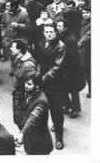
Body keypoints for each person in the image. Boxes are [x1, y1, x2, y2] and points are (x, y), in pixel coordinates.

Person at [38, 22, 66, 150]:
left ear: (56, 32)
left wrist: (44, 77)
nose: (48, 34)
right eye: (46, 32)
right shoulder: (42, 43)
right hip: (44, 82)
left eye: (51, 32)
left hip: (56, 83)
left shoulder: (61, 46)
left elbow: (57, 66)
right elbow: (40, 62)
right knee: (42, 108)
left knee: (56, 110)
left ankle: (59, 137)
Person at [15, 72, 53, 155]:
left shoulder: (41, 101)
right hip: (30, 139)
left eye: (29, 84)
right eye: (26, 83)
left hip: (40, 143)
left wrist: (22, 133)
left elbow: (33, 118)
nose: (26, 85)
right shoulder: (29, 93)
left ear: (37, 86)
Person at [56, 18, 85, 118]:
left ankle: (75, 109)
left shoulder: (70, 40)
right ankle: (67, 106)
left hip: (72, 69)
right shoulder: (61, 36)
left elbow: (71, 56)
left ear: (65, 28)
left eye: (59, 26)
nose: (57, 28)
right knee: (62, 88)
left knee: (73, 90)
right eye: (57, 26)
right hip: (63, 67)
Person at [10, 39, 37, 128]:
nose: (11, 49)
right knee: (18, 120)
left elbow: (31, 84)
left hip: (23, 97)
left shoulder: (29, 65)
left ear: (20, 50)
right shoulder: (18, 59)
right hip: (18, 94)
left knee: (24, 122)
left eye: (13, 47)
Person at [77, 7, 91, 98]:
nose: (85, 14)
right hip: (84, 50)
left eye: (87, 12)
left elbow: (88, 35)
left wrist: (78, 44)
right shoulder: (83, 22)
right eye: (83, 12)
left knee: (90, 71)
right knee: (87, 70)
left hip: (89, 48)